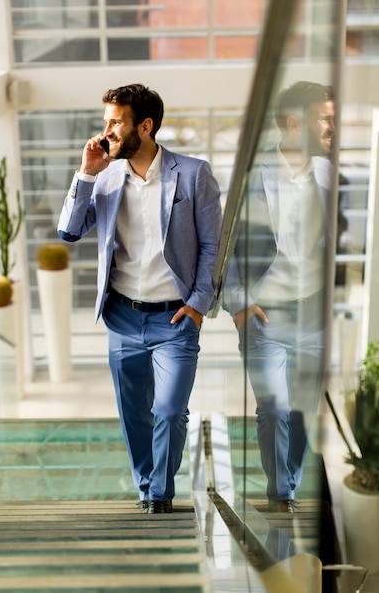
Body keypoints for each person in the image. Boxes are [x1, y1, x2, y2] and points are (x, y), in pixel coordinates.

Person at [58, 83, 222, 514]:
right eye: (106, 121)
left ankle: (161, 493)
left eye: (116, 123)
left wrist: (198, 306)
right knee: (135, 416)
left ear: (144, 127)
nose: (106, 131)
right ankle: (148, 488)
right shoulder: (107, 175)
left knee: (168, 411)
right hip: (123, 317)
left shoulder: (192, 173)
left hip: (175, 320)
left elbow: (213, 247)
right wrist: (86, 172)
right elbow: (69, 231)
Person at [223, 81, 336, 513]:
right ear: (295, 123)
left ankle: (287, 479)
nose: (332, 126)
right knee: (274, 410)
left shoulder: (329, 174)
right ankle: (281, 495)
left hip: (313, 318)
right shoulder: (251, 176)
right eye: (324, 118)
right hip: (265, 317)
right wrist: (238, 304)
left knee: (304, 412)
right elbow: (226, 244)